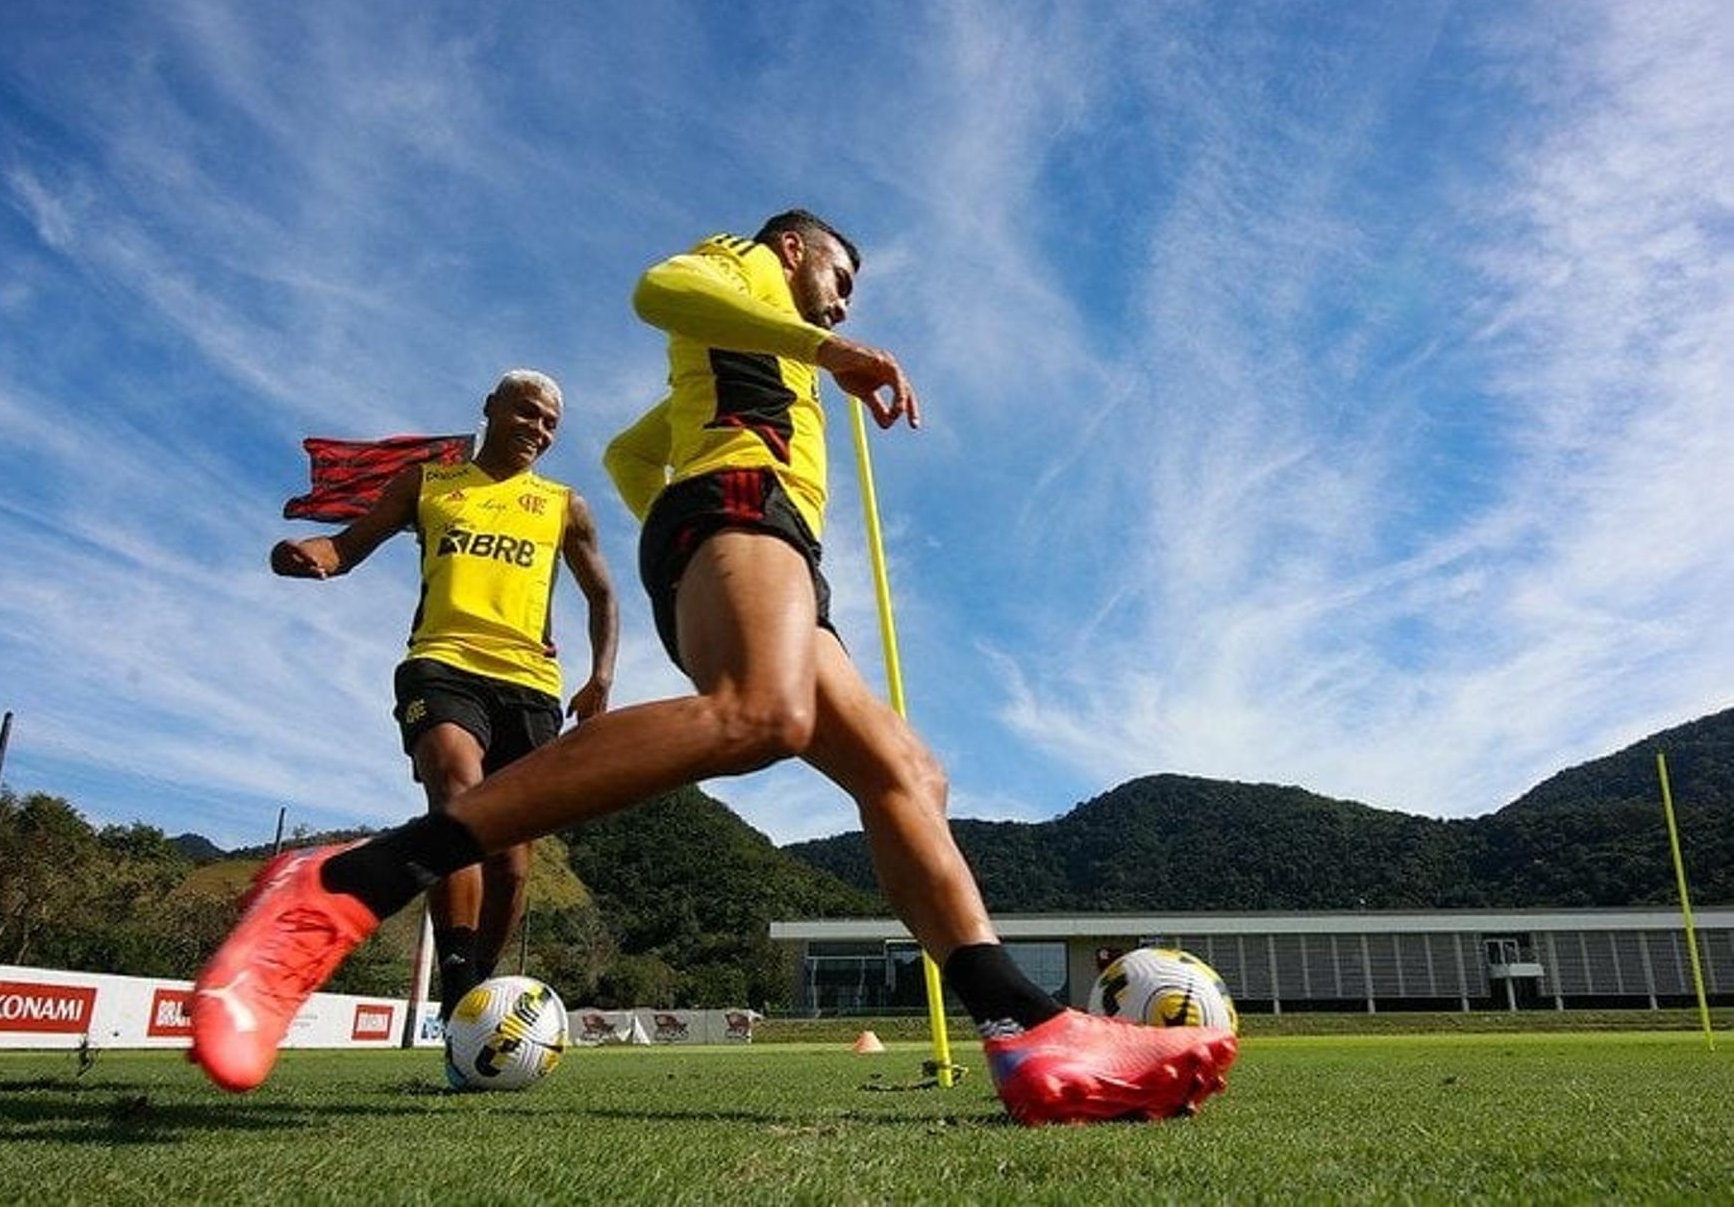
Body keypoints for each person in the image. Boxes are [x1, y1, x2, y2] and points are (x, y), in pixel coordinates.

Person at [193, 212, 1236, 1124]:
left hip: (757, 533)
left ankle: (1027, 1028)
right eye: (839, 278)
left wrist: (700, 515)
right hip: (739, 516)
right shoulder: (741, 269)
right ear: (794, 250)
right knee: (761, 717)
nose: (839, 303)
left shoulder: (763, 352)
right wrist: (739, 487)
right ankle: (350, 880)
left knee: (906, 776)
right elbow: (660, 290)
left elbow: (628, 459)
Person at [265, 369, 618, 1024]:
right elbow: (345, 547)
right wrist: (304, 554)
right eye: (526, 414)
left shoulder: (564, 505)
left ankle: (477, 988)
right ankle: (457, 982)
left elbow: (601, 594)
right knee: (458, 802)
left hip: (530, 686)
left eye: (549, 424)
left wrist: (600, 677)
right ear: (490, 408)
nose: (537, 430)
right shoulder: (429, 484)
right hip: (442, 665)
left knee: (512, 861)